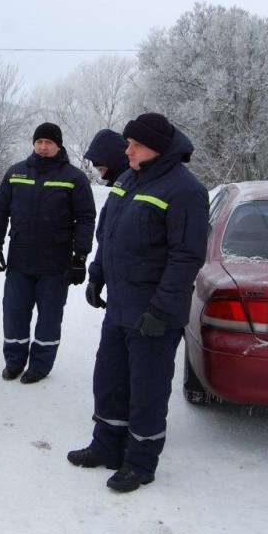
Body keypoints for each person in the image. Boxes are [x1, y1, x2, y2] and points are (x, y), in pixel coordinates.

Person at [67, 112, 209, 494]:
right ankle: (107, 446)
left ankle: (140, 462)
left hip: (154, 313)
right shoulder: (129, 179)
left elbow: (186, 257)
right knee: (109, 378)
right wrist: (97, 274)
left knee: (146, 388)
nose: (125, 150)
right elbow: (108, 234)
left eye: (134, 144)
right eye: (127, 143)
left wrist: (161, 310)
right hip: (120, 305)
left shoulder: (185, 191)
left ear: (157, 148)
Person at [0, 122, 96, 384]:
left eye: (49, 142)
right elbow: (0, 209)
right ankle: (14, 361)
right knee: (14, 312)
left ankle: (40, 364)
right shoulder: (16, 174)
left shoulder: (74, 178)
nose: (43, 147)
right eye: (39, 142)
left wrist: (80, 257)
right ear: (33, 144)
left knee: (49, 317)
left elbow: (85, 218)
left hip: (55, 264)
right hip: (20, 260)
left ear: (59, 145)